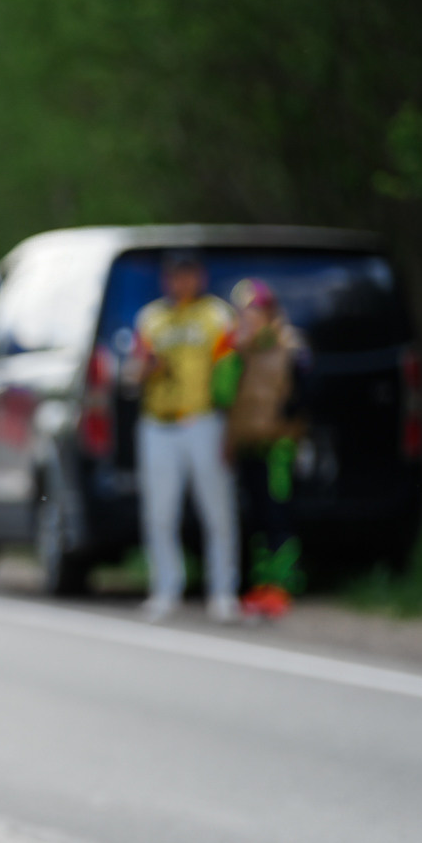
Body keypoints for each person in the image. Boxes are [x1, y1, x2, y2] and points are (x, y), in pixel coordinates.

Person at [128, 252, 239, 622]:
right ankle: (165, 588)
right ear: (166, 281)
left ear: (200, 277)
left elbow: (230, 371)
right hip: (158, 422)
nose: (182, 283)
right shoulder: (151, 319)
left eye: (188, 275)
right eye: (176, 276)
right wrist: (145, 366)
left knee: (217, 509)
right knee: (160, 511)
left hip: (204, 420)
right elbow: (133, 374)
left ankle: (223, 592)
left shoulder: (216, 316)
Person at [225, 277, 310, 620]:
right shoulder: (239, 352)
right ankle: (262, 586)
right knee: (256, 518)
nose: (249, 318)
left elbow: (306, 392)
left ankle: (283, 585)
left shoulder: (291, 347)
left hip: (278, 446)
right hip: (248, 444)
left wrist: (292, 415)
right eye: (244, 312)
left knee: (278, 516)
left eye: (255, 311)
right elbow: (225, 395)